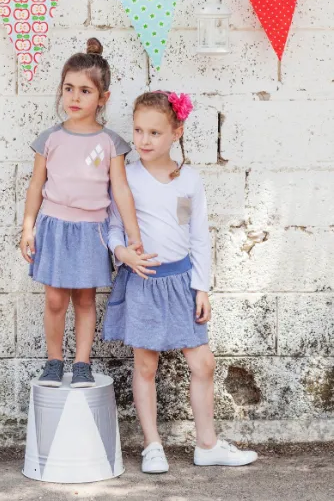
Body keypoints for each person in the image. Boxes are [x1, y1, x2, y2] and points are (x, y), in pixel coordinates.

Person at [103, 90, 258, 472]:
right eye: (138, 130)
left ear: (176, 132)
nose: (143, 140)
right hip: (142, 280)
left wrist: (200, 287)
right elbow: (112, 227)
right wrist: (121, 253)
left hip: (180, 281)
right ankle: (152, 444)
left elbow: (197, 235)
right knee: (145, 366)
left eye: (154, 132)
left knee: (202, 363)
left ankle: (206, 444)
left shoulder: (187, 179)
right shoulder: (128, 177)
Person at [20, 37, 144, 389]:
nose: (75, 98)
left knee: (85, 299)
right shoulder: (49, 138)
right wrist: (28, 228)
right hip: (55, 228)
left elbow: (120, 190)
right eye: (69, 89)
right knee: (56, 298)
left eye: (85, 91)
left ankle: (83, 362)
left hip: (92, 230)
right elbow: (35, 186)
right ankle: (55, 360)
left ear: (103, 98)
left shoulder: (111, 144)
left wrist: (133, 236)